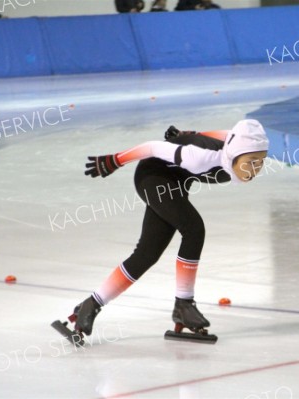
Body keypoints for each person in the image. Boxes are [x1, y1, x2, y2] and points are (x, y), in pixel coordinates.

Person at [71, 120, 269, 343]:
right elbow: (153, 147)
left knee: (147, 253)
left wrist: (190, 135)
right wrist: (115, 160)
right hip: (153, 175)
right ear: (234, 154)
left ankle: (90, 305)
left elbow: (220, 134)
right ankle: (184, 305)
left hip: (177, 181)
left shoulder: (236, 141)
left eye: (260, 162)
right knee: (193, 229)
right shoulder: (200, 156)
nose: (255, 169)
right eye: (251, 162)